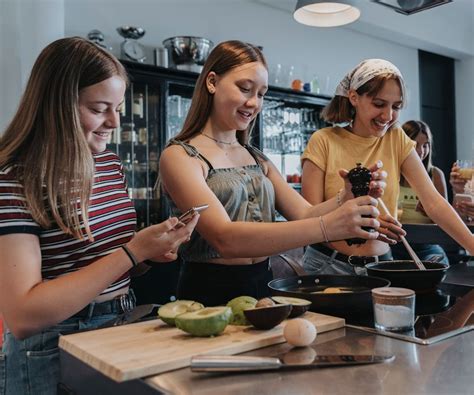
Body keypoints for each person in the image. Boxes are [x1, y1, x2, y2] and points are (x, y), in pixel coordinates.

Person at [0, 37, 198, 395]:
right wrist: (132, 252)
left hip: (121, 324)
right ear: (56, 106)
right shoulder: (15, 179)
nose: (114, 122)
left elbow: (109, 266)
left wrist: (151, 255)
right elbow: (24, 315)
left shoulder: (107, 163)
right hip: (50, 349)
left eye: (119, 107)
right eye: (99, 108)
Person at [159, 41, 402, 307]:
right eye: (244, 89)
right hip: (208, 293)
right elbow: (224, 238)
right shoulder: (180, 156)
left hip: (263, 286)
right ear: (212, 82)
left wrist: (344, 197)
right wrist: (327, 227)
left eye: (261, 94)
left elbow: (305, 213)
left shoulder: (257, 157)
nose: (253, 103)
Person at [301, 59, 473, 275]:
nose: (388, 116)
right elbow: (308, 220)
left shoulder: (396, 138)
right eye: (379, 104)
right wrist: (364, 223)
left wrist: (472, 245)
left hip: (383, 265)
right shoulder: (323, 140)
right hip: (330, 266)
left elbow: (434, 202)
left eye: (396, 106)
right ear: (354, 97)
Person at [391, 120, 449, 264]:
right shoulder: (390, 173)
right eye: (415, 144)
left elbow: (446, 221)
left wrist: (431, 212)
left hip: (427, 246)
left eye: (426, 145)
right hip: (393, 245)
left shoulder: (435, 175)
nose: (421, 150)